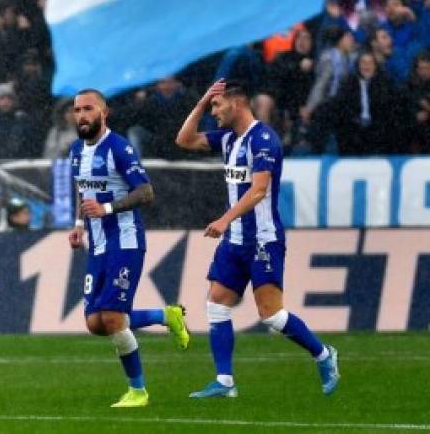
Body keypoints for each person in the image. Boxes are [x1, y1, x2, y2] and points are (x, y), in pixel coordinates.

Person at [175, 79, 340, 398]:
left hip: (262, 240)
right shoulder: (228, 139)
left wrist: (224, 219)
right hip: (234, 241)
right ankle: (225, 382)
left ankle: (323, 354)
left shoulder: (263, 139)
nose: (214, 113)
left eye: (217, 106)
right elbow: (184, 139)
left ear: (236, 104)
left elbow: (259, 189)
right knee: (216, 304)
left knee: (273, 316)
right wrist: (200, 102)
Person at [67, 88, 188, 409]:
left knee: (111, 316)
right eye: (77, 110)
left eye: (88, 109)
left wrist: (107, 210)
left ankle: (138, 391)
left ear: (104, 113)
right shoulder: (76, 151)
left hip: (126, 240)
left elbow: (146, 193)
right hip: (98, 245)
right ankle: (165, 315)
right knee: (95, 323)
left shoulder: (119, 148)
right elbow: (85, 193)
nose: (81, 116)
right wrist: (79, 226)